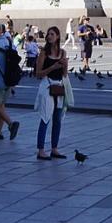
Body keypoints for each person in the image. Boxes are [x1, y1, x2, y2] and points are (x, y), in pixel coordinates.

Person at [34, 25, 69, 160]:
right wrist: (53, 67)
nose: (49, 36)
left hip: (59, 86)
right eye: (48, 34)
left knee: (57, 119)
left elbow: (64, 74)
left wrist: (65, 66)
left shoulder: (62, 52)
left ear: (58, 36)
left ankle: (54, 148)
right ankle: (41, 150)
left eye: (52, 34)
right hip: (47, 86)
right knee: (45, 118)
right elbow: (38, 74)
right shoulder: (43, 53)